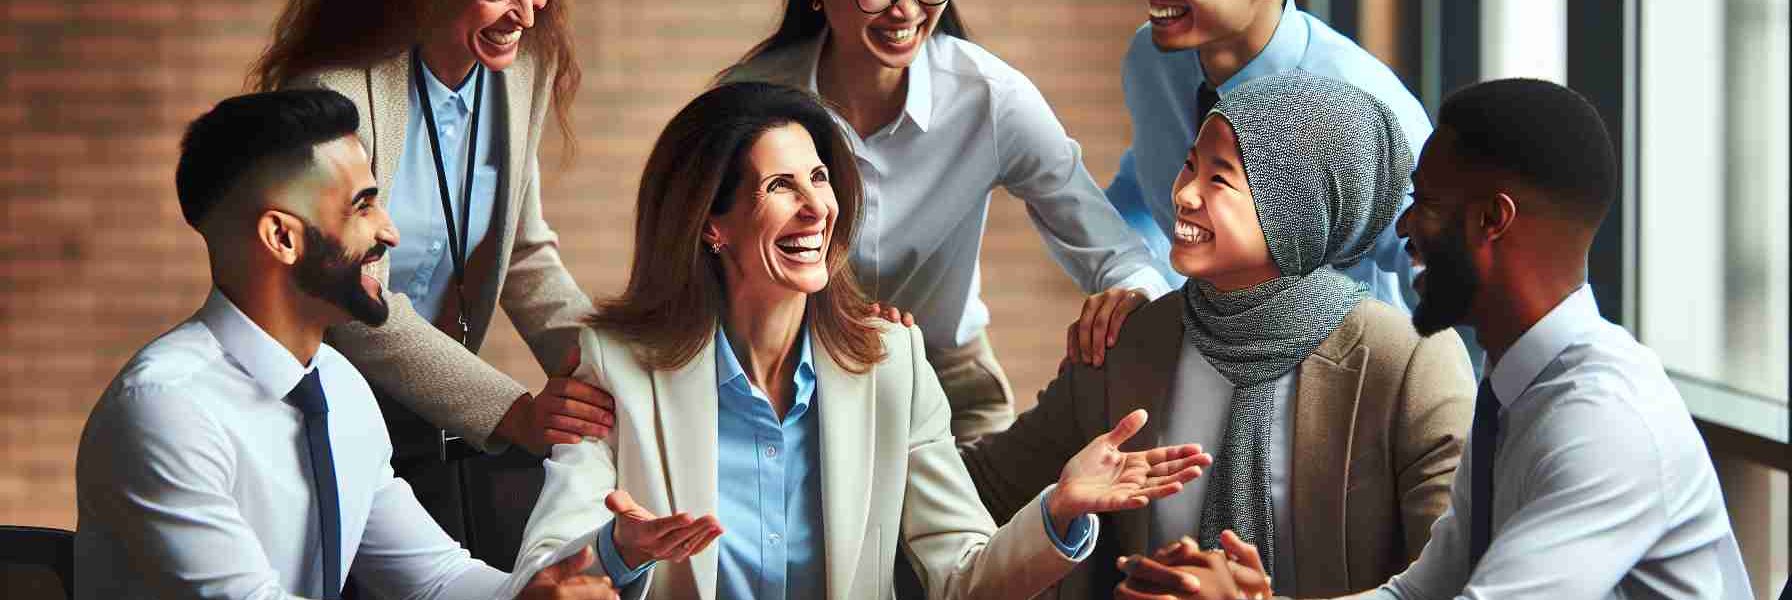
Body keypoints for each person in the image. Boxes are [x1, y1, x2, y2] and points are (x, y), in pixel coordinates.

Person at [513, 82, 1212, 599]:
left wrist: (1059, 509)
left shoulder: (892, 365)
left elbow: (959, 576)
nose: (817, 206)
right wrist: (618, 550)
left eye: (819, 177)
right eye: (780, 186)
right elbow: (543, 570)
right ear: (711, 225)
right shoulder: (615, 364)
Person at [1118, 79, 1752, 600]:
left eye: (1426, 203)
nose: (1404, 226)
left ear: (1491, 221)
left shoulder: (1604, 422)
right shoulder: (1516, 392)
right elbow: (1420, 594)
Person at [73, 89, 613, 600]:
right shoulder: (167, 410)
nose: (391, 233)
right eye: (363, 206)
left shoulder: (336, 384)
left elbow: (436, 579)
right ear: (282, 238)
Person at [959, 72, 1474, 599]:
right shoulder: (1129, 340)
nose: (1183, 194)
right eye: (1189, 167)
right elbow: (977, 490)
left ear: (1293, 208)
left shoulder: (1410, 363)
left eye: (1219, 179)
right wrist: (891, 376)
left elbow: (1452, 583)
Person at [249, 0, 608, 566]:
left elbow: (520, 251)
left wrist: (612, 371)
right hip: (322, 413)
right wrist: (515, 414)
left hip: (435, 420)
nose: (528, 16)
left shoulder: (520, 71)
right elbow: (352, 299)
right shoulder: (333, 90)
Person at [719, 0, 1174, 443]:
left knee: (993, 520)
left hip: (950, 388)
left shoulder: (991, 97)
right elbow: (694, 260)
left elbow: (1116, 253)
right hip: (780, 386)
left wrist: (1131, 296)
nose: (906, 11)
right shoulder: (749, 102)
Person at [1069, 0, 1442, 370]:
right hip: (1208, 360)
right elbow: (1142, 189)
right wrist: (1138, 279)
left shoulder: (1356, 97)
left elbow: (1437, 263)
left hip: (1344, 385)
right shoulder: (1150, 60)